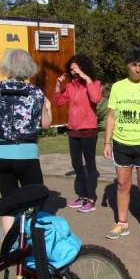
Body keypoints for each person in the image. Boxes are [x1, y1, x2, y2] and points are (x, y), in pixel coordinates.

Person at [0, 49, 52, 233]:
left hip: (0, 154)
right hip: (26, 154)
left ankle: (10, 249)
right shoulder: (35, 92)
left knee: (8, 202)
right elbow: (46, 124)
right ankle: (31, 243)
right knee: (34, 199)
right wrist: (47, 106)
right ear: (28, 67)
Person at [103, 46, 140, 244]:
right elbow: (111, 116)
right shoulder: (118, 87)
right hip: (121, 143)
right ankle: (122, 223)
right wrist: (107, 142)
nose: (138, 69)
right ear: (128, 66)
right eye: (134, 65)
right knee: (122, 184)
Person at [53, 54, 102, 213]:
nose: (73, 72)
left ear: (83, 68)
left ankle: (90, 198)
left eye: (76, 69)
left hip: (89, 131)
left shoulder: (94, 83)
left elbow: (95, 98)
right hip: (73, 130)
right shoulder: (70, 86)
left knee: (90, 165)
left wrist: (87, 79)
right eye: (71, 70)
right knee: (76, 165)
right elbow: (59, 102)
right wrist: (58, 86)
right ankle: (82, 196)